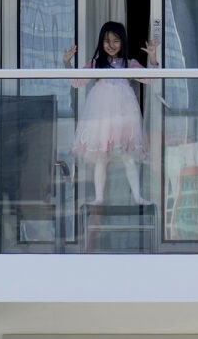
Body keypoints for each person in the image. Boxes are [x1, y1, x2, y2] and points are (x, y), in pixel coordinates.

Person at [64, 21, 159, 205]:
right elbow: (77, 82)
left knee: (129, 158)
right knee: (101, 159)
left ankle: (137, 196)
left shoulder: (129, 64)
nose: (111, 45)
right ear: (101, 42)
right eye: (107, 41)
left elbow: (151, 78)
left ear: (122, 42)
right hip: (102, 118)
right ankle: (99, 198)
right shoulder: (95, 64)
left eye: (116, 40)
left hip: (124, 117)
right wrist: (67, 63)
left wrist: (153, 59)